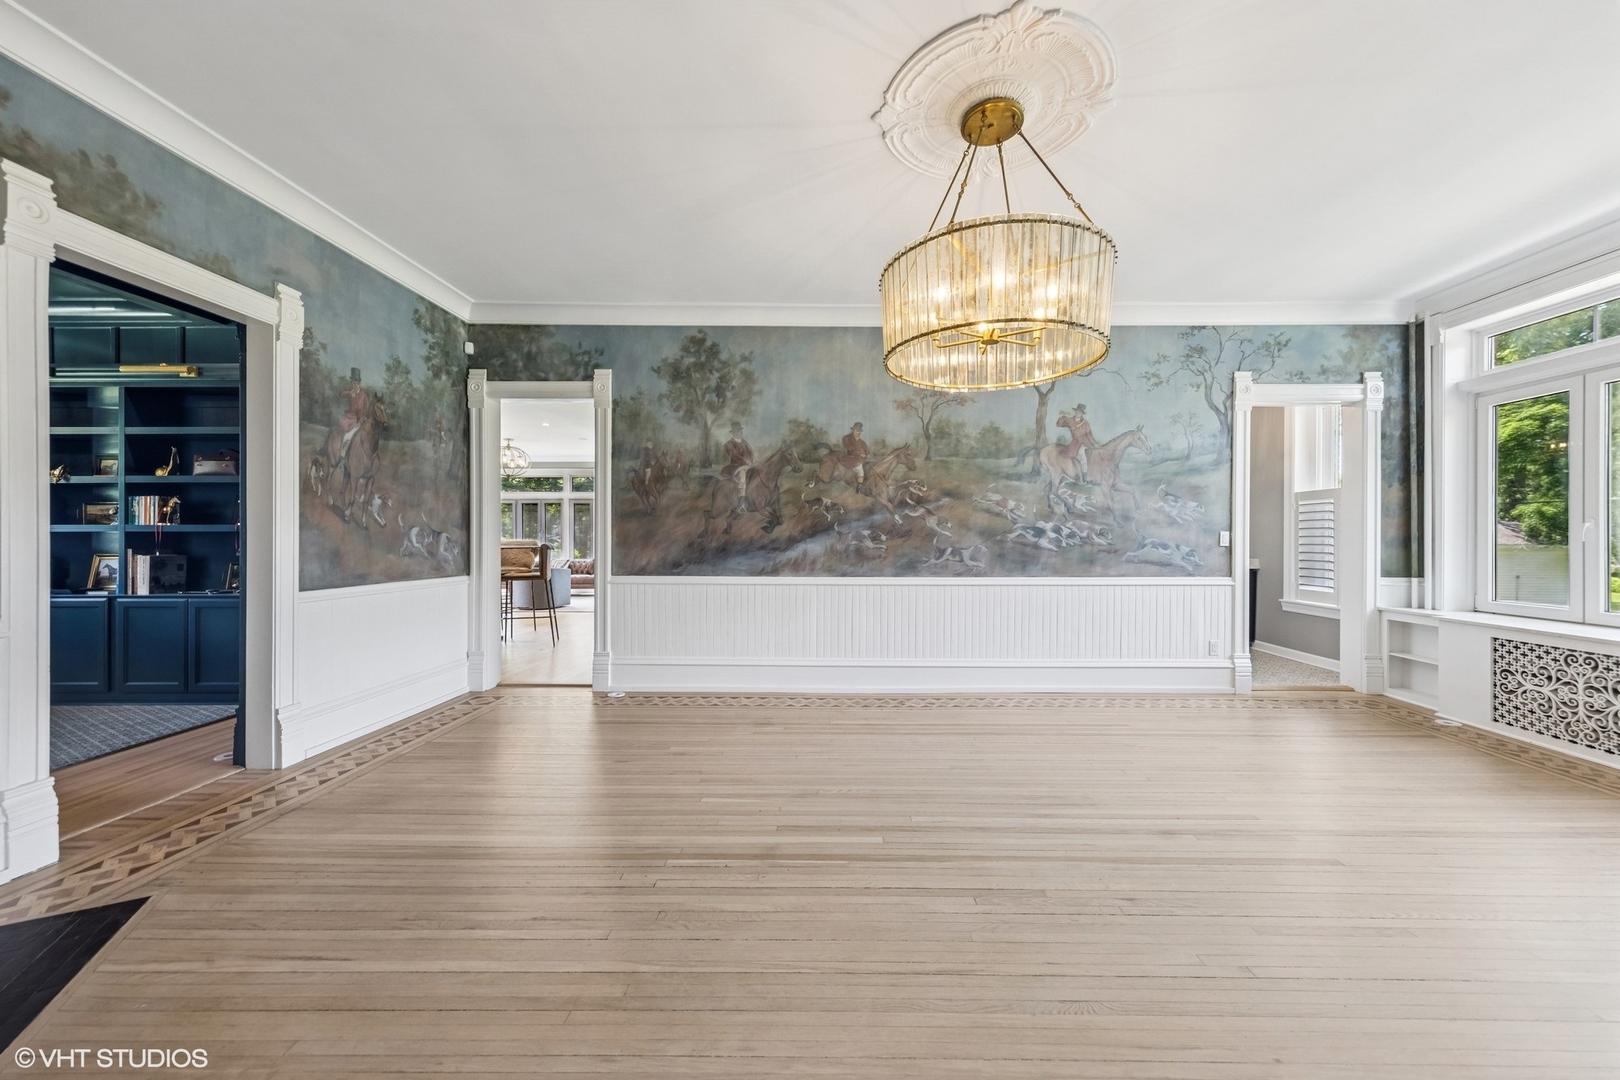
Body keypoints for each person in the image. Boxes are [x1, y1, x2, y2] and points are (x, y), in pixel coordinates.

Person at [1056, 402, 1099, 484]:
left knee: (1093, 456)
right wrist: (1064, 416)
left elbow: (1089, 435)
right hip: (1076, 444)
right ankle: (1084, 480)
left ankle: (1092, 476)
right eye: (1077, 411)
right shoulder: (1070, 420)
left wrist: (1095, 444)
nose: (1078, 413)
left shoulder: (1085, 423)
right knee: (1083, 459)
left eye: (1080, 412)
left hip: (1086, 444)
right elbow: (1059, 424)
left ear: (1082, 413)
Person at [338, 368, 370, 463]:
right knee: (347, 437)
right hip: (349, 420)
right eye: (353, 383)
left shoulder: (364, 395)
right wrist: (348, 392)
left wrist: (364, 418)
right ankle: (342, 461)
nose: (355, 385)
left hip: (361, 421)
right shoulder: (350, 392)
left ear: (359, 383)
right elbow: (340, 394)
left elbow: (367, 409)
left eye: (356, 383)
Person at [720, 422, 753, 495]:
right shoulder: (729, 444)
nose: (739, 433)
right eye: (736, 431)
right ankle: (741, 501)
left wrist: (750, 461)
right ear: (733, 433)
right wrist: (745, 461)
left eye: (739, 431)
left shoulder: (746, 444)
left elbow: (751, 454)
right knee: (742, 476)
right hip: (735, 467)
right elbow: (734, 455)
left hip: (747, 466)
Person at [839, 422, 870, 487]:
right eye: (857, 431)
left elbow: (866, 448)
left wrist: (868, 454)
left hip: (858, 459)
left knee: (867, 466)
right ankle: (859, 486)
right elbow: (850, 448)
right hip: (849, 458)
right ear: (853, 430)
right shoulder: (846, 438)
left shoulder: (861, 441)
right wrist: (860, 454)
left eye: (860, 431)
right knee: (861, 470)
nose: (859, 433)